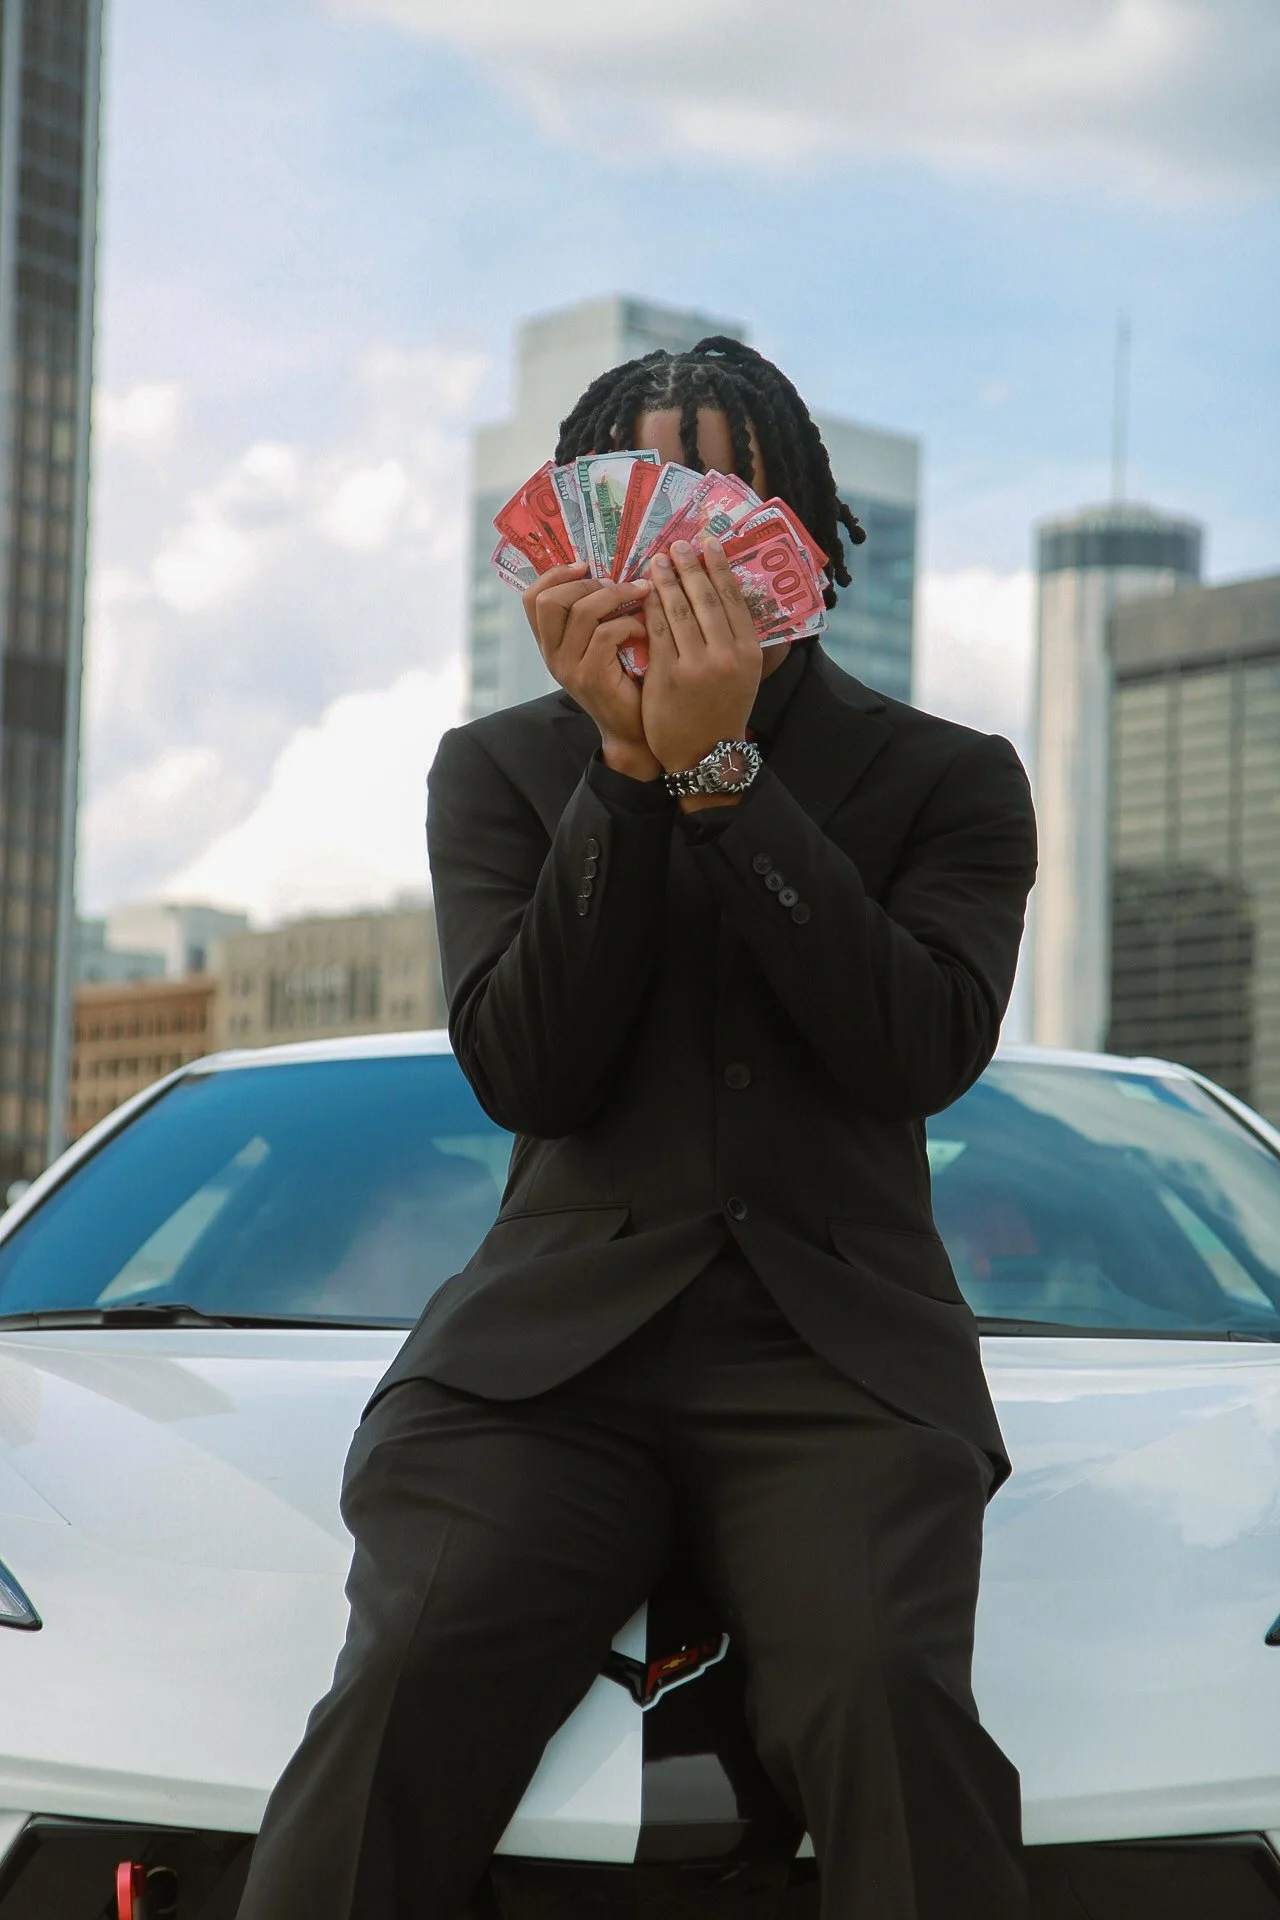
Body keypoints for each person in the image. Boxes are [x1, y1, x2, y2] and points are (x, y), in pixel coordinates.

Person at [236, 336, 1038, 1920]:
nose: (680, 541)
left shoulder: (948, 778)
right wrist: (621, 770)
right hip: (543, 1368)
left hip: (841, 1361)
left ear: (799, 531)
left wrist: (726, 774)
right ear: (582, 521)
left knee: (887, 1693)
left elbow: (917, 1047)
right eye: (643, 497)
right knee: (407, 1672)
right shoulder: (500, 769)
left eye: (724, 497)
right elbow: (526, 1073)